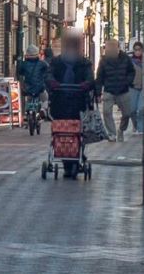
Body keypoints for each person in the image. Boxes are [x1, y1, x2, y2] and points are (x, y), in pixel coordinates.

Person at [47, 31, 95, 179]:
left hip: (78, 102)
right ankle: (66, 159)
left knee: (77, 132)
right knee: (62, 131)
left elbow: (90, 78)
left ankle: (75, 158)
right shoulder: (56, 62)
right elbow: (48, 75)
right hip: (59, 102)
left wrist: (86, 84)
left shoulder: (84, 63)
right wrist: (52, 82)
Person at [95, 39, 135, 142]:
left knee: (127, 113)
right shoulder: (103, 60)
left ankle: (121, 129)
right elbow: (99, 77)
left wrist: (127, 82)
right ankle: (112, 133)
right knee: (106, 112)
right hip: (109, 90)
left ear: (118, 48)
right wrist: (98, 93)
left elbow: (131, 71)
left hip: (123, 90)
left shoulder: (125, 58)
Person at [17, 44, 50, 118]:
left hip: (28, 88)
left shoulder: (24, 64)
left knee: (29, 98)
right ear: (37, 54)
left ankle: (27, 111)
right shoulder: (42, 63)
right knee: (45, 98)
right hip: (40, 87)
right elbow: (48, 70)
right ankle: (43, 109)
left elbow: (20, 72)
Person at [130, 41, 144, 135]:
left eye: (139, 49)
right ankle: (135, 125)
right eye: (135, 50)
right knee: (132, 110)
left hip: (143, 87)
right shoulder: (130, 61)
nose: (137, 51)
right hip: (133, 87)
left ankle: (140, 128)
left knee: (140, 109)